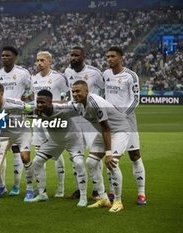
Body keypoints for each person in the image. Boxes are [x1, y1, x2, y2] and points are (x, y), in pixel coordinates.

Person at [71, 80, 130, 212]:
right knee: (91, 162)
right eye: (73, 91)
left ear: (86, 92)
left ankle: (118, 201)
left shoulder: (94, 103)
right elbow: (63, 106)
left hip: (119, 130)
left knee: (112, 162)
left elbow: (106, 127)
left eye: (78, 91)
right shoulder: (78, 105)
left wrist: (108, 153)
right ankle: (103, 198)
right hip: (104, 132)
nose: (75, 94)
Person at [103, 46, 146, 205]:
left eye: (113, 56)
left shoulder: (130, 76)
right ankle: (112, 192)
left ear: (121, 58)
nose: (109, 59)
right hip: (109, 123)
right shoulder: (105, 75)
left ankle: (141, 193)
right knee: (110, 156)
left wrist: (122, 114)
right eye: (107, 57)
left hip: (127, 120)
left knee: (134, 155)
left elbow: (135, 100)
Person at [31, 89, 88, 207]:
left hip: (73, 139)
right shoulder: (37, 111)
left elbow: (82, 105)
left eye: (43, 102)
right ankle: (42, 194)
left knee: (78, 163)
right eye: (38, 102)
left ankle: (83, 196)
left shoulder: (65, 109)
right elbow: (19, 109)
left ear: (51, 102)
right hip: (55, 140)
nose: (40, 105)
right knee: (37, 162)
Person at [64, 46, 105, 199]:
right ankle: (79, 188)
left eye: (76, 55)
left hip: (91, 119)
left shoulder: (94, 73)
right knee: (76, 155)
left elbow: (104, 89)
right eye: (71, 55)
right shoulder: (67, 72)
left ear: (84, 56)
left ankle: (97, 189)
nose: (73, 58)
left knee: (94, 153)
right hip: (75, 118)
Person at [0, 82, 34, 202]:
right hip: (6, 133)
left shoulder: (14, 103)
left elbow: (31, 108)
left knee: (25, 157)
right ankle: (1, 187)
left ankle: (30, 189)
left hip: (22, 132)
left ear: (1, 94)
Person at [30, 51, 70, 198]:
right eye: (37, 60)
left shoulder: (58, 78)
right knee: (39, 153)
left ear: (49, 61)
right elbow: (34, 99)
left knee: (56, 155)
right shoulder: (33, 78)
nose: (39, 63)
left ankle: (60, 189)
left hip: (53, 119)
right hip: (38, 121)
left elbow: (67, 97)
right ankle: (42, 189)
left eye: (42, 60)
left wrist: (54, 105)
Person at [0, 46, 32, 196]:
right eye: (3, 55)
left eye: (8, 55)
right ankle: (0, 186)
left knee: (18, 151)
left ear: (15, 57)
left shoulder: (23, 74)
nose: (4, 58)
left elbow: (29, 92)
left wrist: (23, 104)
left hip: (16, 114)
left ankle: (16, 186)